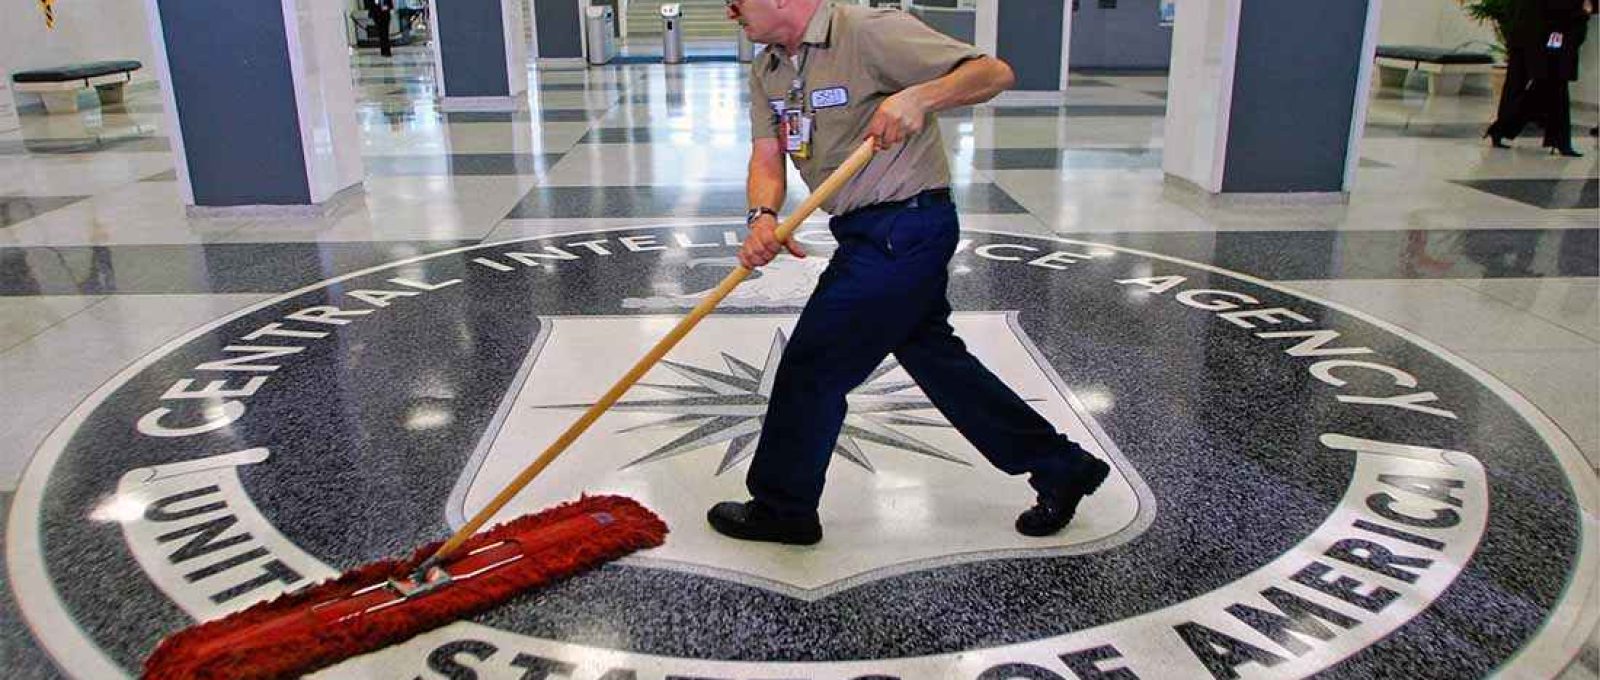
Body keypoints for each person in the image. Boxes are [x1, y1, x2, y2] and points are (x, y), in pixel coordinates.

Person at [708, 0, 1112, 546]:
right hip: (863, 230)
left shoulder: (868, 30)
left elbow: (993, 73)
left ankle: (784, 507)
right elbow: (766, 156)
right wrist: (763, 216)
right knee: (937, 360)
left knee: (813, 365)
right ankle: (1061, 465)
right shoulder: (769, 67)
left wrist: (919, 96)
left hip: (906, 228)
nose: (729, 8)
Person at [1486, 0, 1592, 156]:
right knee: (1551, 85)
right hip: (1548, 32)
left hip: (1533, 30)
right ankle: (1503, 128)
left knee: (1546, 85)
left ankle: (1502, 129)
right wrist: (1583, 12)